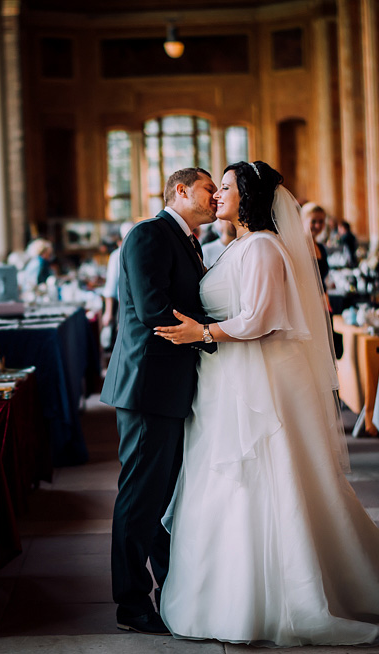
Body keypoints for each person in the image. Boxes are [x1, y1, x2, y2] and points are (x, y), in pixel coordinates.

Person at [153, 161, 379, 646]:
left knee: (263, 478)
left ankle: (275, 600)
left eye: (227, 188)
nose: (217, 194)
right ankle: (223, 592)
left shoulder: (262, 247)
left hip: (250, 382)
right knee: (226, 481)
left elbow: (263, 317)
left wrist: (204, 332)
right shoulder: (234, 247)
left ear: (249, 198)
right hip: (224, 384)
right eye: (215, 188)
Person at [99, 167, 218, 636]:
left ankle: (169, 587)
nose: (214, 197)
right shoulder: (149, 234)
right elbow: (152, 310)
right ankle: (130, 602)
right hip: (147, 386)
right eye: (209, 189)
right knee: (140, 499)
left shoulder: (190, 241)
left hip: (168, 388)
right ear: (182, 190)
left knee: (162, 499)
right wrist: (214, 337)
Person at [100, 222, 134, 351]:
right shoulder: (117, 255)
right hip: (127, 307)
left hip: (126, 307)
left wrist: (108, 313)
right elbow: (110, 289)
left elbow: (110, 288)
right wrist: (108, 313)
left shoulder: (117, 255)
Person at [302, 202, 330, 285]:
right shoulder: (299, 248)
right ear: (302, 221)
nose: (317, 226)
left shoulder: (321, 248)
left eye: (321, 221)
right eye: (313, 221)